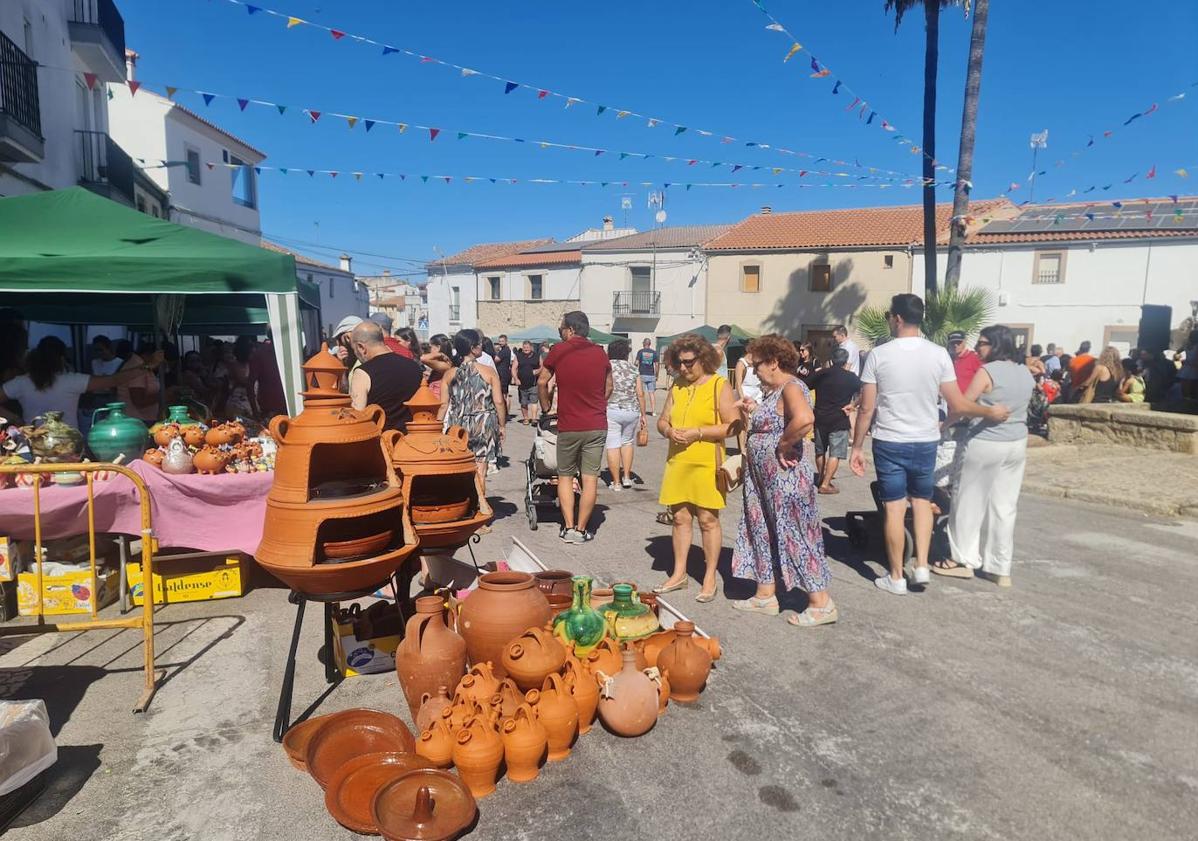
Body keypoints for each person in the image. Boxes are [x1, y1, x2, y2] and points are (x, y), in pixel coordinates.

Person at [849, 294, 1010, 595]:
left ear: (897, 318)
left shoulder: (879, 355)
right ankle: (922, 565)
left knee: (894, 508)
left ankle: (896, 576)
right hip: (925, 440)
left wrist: (857, 447)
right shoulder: (939, 355)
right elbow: (957, 403)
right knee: (922, 501)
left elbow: (867, 408)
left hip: (890, 440)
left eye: (889, 316)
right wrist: (988, 411)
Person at [730, 335, 836, 626]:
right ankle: (765, 594)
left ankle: (821, 603)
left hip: (785, 480)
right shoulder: (775, 391)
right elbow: (777, 420)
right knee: (761, 529)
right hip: (765, 481)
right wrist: (754, 410)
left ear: (774, 362)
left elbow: (804, 419)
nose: (755, 371)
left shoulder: (791, 386)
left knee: (795, 533)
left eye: (758, 365)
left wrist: (783, 445)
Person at [935, 325, 1034, 586]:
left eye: (983, 343)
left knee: (968, 501)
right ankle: (999, 567)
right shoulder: (1024, 372)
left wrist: (944, 426)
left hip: (986, 441)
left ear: (996, 345)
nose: (978, 347)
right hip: (1016, 442)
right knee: (1004, 506)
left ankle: (961, 559)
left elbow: (962, 405)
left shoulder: (988, 371)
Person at [654, 333, 739, 601]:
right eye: (679, 362)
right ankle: (679, 573)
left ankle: (709, 576)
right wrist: (668, 431)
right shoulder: (677, 385)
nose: (683, 368)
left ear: (703, 359)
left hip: (706, 462)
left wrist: (698, 433)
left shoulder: (719, 385)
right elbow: (662, 421)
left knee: (707, 520)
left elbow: (733, 426)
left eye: (688, 362)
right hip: (678, 461)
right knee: (679, 518)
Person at [538, 312, 612, 544]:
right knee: (590, 479)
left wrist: (546, 406)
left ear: (570, 330)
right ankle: (581, 530)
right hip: (596, 424)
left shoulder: (559, 350)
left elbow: (542, 381)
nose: (560, 332)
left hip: (569, 425)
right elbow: (609, 386)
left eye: (561, 328)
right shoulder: (600, 353)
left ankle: (568, 527)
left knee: (565, 476)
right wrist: (596, 404)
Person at [0, 336, 160, 429]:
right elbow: (114, 379)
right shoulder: (72, 380)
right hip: (68, 448)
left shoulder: (20, 383)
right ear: (61, 359)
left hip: (31, 446)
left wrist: (15, 419)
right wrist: (148, 366)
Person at [441, 329, 505, 499]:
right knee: (480, 470)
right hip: (484, 423)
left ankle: (463, 504)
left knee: (460, 468)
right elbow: (499, 401)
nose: (481, 346)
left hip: (458, 425)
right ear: (473, 348)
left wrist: (438, 426)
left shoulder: (449, 374)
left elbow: (443, 405)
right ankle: (480, 507)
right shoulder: (489, 372)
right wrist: (502, 425)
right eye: (479, 344)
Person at [348, 321, 423, 432]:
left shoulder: (363, 372)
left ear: (361, 347)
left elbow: (357, 415)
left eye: (354, 350)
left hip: (381, 438)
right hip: (412, 437)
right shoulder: (414, 366)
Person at [806, 347, 860, 495]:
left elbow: (805, 385)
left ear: (831, 360)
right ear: (846, 361)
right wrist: (854, 404)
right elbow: (865, 391)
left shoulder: (822, 374)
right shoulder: (851, 377)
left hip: (820, 417)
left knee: (820, 450)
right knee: (835, 453)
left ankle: (821, 478)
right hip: (839, 418)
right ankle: (825, 483)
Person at [604, 339, 647, 491]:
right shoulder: (633, 369)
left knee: (613, 445)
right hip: (631, 410)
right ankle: (627, 477)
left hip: (612, 409)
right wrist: (643, 414)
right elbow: (640, 393)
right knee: (627, 442)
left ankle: (616, 483)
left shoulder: (606, 366)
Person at [114, 339, 162, 422]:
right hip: (136, 420)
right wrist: (164, 395)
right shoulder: (137, 366)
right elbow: (138, 400)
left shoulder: (142, 366)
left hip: (142, 419)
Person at [248, 331, 288, 418]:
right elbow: (250, 384)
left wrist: (255, 410)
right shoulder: (291, 353)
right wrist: (255, 411)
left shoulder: (259, 353)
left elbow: (250, 384)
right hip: (271, 408)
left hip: (275, 406)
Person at [513, 340, 541, 424]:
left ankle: (534, 418)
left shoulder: (537, 356)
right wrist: (516, 379)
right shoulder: (518, 356)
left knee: (534, 401)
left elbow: (542, 366)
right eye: (524, 347)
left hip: (533, 383)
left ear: (531, 347)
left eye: (527, 347)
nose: (526, 349)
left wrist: (538, 371)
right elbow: (514, 368)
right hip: (522, 383)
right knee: (523, 402)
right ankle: (526, 418)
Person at [422, 334, 454, 403]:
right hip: (434, 400)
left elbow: (423, 358)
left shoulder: (445, 364)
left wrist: (440, 354)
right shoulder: (442, 363)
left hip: (438, 402)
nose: (430, 350)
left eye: (431, 347)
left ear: (438, 347)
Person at [634, 339, 660, 415]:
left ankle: (641, 411)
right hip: (651, 375)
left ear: (643, 344)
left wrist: (634, 368)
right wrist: (656, 375)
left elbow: (636, 363)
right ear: (650, 344)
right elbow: (657, 364)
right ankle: (653, 411)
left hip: (642, 374)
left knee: (641, 394)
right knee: (651, 393)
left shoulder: (640, 352)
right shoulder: (654, 352)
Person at [493, 334, 513, 419]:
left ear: (506, 341)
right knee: (505, 394)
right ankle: (506, 413)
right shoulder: (505, 350)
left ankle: (506, 413)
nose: (500, 343)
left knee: (504, 394)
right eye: (499, 341)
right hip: (504, 373)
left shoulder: (505, 350)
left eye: (502, 341)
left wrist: (493, 352)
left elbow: (496, 359)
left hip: (503, 374)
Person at [1178, 329, 1198, 400]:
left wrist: (1181, 359)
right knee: (1193, 388)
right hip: (1194, 368)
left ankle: (1186, 400)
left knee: (1185, 387)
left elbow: (1177, 352)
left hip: (1186, 367)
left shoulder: (1186, 345)